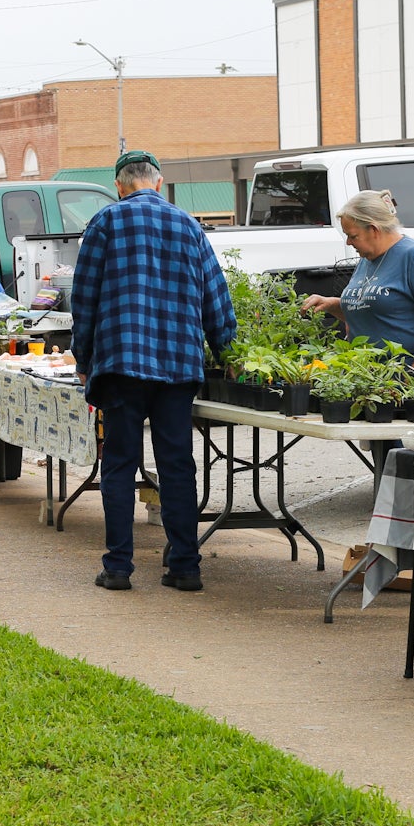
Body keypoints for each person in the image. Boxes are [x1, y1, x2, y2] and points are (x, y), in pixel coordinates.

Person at [72, 150, 237, 593]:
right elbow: (215, 296)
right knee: (177, 465)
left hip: (121, 363)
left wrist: (83, 360)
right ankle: (185, 566)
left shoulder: (106, 222)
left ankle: (118, 568)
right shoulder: (189, 225)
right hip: (178, 366)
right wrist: (226, 347)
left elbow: (84, 298)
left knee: (120, 465)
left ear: (121, 186)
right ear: (158, 183)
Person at [298, 188, 414, 371]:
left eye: (352, 235)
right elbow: (372, 309)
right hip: (372, 379)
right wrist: (333, 304)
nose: (348, 242)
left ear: (373, 229)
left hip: (409, 380)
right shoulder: (367, 259)